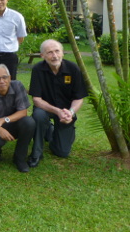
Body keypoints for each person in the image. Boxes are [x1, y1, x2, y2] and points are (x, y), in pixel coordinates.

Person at [28, 39, 87, 167]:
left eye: (57, 51)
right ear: (42, 56)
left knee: (62, 152)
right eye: (49, 52)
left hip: (66, 112)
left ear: (62, 53)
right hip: (45, 109)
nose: (54, 56)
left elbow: (79, 98)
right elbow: (36, 99)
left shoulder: (73, 69)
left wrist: (70, 113)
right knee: (38, 116)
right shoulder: (38, 70)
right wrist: (57, 111)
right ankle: (36, 153)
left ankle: (50, 131)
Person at [0, 64, 35, 173]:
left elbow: (23, 112)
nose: (2, 81)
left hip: (13, 123)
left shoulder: (17, 86)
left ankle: (19, 158)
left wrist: (3, 120)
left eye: (5, 77)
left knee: (29, 122)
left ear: (10, 78)